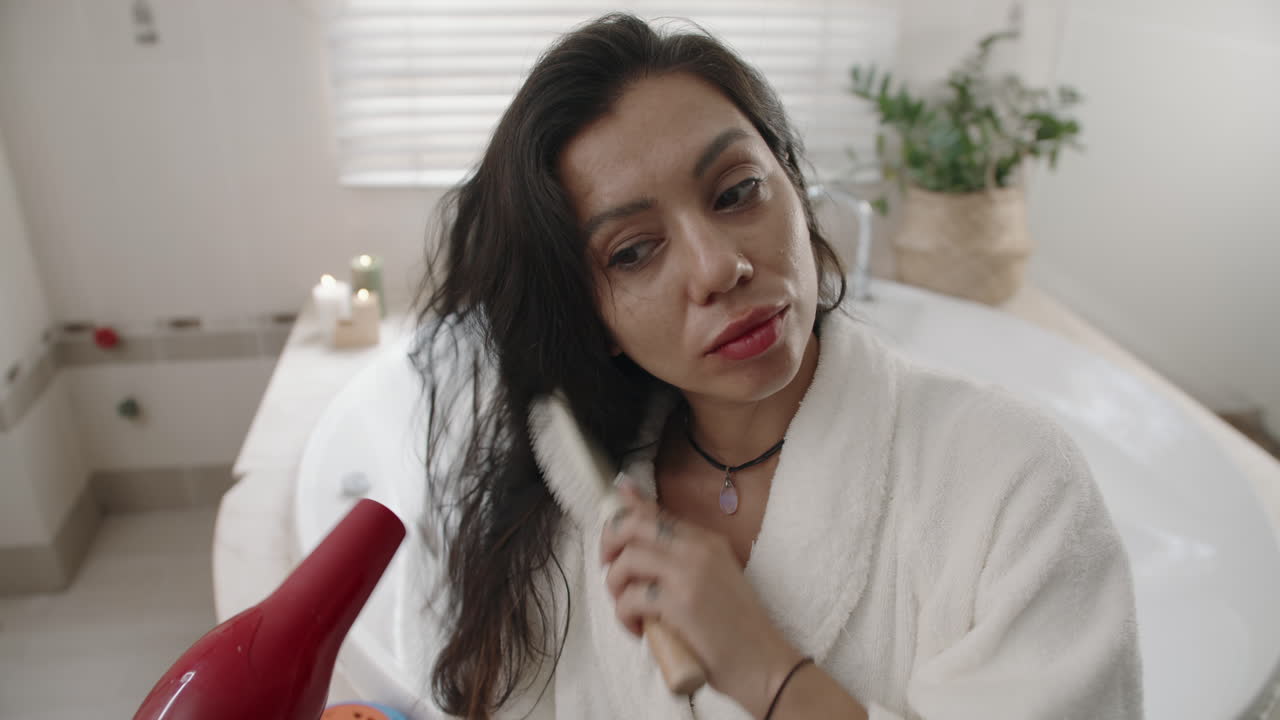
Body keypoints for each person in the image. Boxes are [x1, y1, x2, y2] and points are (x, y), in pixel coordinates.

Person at [411, 12, 1142, 720]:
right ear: (590, 317)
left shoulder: (1013, 483)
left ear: (793, 186)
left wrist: (763, 666)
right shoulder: (552, 526)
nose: (721, 267)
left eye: (737, 193)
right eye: (633, 251)